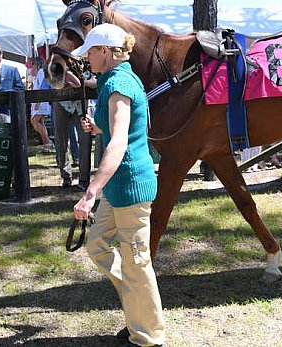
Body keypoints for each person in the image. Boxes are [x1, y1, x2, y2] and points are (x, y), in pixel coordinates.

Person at [72, 24, 165, 347]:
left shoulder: (119, 83)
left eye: (90, 51)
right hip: (119, 186)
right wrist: (98, 128)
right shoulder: (114, 80)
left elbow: (121, 141)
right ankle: (140, 309)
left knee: (137, 263)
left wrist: (90, 193)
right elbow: (118, 128)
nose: (86, 57)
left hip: (129, 185)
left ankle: (149, 337)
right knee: (97, 245)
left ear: (106, 53)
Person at [29, 57, 54, 152]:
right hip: (39, 100)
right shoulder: (38, 73)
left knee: (34, 120)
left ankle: (47, 141)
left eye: (33, 64)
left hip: (41, 101)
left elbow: (41, 87)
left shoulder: (41, 72)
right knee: (39, 122)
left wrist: (38, 102)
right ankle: (46, 143)